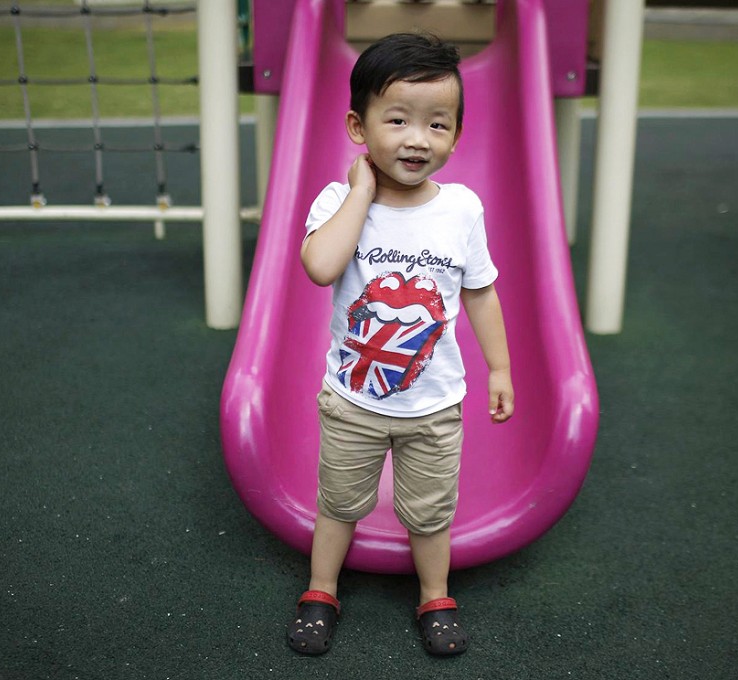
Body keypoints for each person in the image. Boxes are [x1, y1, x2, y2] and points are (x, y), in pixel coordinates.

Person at [288, 32, 514, 657]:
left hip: (435, 406)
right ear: (358, 129)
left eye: (437, 124)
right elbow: (321, 267)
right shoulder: (339, 202)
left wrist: (499, 367)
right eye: (398, 120)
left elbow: (481, 293)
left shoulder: (462, 208)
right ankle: (321, 589)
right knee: (339, 502)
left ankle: (435, 596)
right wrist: (361, 192)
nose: (418, 138)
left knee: (430, 512)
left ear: (457, 134)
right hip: (354, 402)